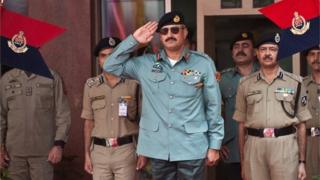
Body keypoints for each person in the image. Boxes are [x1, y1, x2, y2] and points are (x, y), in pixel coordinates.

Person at [103, 11, 224, 180]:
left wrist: (215, 145)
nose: (170, 34)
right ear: (159, 36)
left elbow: (213, 105)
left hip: (192, 146)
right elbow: (110, 65)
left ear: (185, 33)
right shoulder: (145, 64)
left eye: (175, 30)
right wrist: (134, 40)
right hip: (158, 147)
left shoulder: (203, 63)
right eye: (165, 31)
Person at [233, 32, 312, 180]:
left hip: (285, 146)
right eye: (263, 49)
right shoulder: (245, 84)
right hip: (255, 146)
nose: (267, 53)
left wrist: (302, 162)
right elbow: (241, 124)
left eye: (272, 49)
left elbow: (302, 125)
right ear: (256, 53)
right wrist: (243, 162)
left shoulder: (295, 82)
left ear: (279, 53)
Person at [81, 37, 146, 180]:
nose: (107, 60)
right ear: (98, 60)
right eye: (103, 56)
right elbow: (88, 123)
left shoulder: (134, 84)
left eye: (112, 55)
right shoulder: (91, 86)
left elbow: (143, 120)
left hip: (126, 151)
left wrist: (143, 152)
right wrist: (86, 154)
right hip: (99, 152)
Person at [0, 69, 71, 180]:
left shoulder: (52, 77)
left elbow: (63, 114)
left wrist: (59, 144)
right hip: (14, 155)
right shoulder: (6, 79)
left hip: (43, 154)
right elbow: (1, 116)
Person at [217, 32, 258, 180]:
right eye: (236, 47)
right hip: (231, 149)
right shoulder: (222, 79)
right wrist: (217, 143)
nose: (240, 49)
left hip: (262, 146)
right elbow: (213, 112)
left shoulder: (266, 75)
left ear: (254, 52)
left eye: (245, 45)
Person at [302, 45, 320, 180]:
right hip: (308, 143)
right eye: (312, 54)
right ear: (307, 58)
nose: (316, 58)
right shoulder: (300, 85)